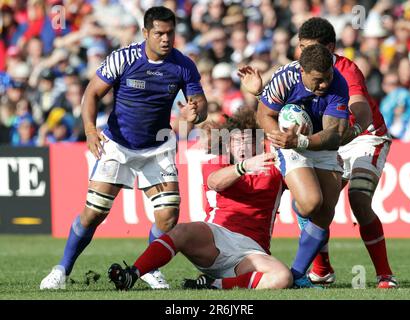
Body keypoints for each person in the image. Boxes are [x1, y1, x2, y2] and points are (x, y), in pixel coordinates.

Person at [40, 6, 208, 290]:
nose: (166, 39)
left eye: (170, 33)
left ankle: (148, 268)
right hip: (118, 145)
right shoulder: (124, 58)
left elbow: (199, 104)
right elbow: (91, 93)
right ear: (145, 33)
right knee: (94, 213)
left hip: (157, 147)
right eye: (159, 33)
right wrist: (91, 131)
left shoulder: (183, 65)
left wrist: (196, 114)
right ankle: (61, 270)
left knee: (168, 216)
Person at [107, 109, 293, 291]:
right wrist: (244, 166)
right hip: (215, 238)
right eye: (237, 140)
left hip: (251, 250)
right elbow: (215, 182)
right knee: (181, 230)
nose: (242, 146)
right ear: (227, 145)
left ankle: (214, 285)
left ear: (259, 144)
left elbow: (306, 198)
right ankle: (132, 274)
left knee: (282, 277)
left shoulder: (276, 169)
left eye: (248, 141)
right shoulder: (218, 162)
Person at [296, 17, 397, 288]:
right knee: (313, 204)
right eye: (302, 46)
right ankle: (322, 271)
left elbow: (359, 106)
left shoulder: (345, 69)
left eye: (312, 47)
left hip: (364, 138)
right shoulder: (299, 70)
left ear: (330, 47)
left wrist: (354, 129)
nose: (307, 53)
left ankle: (385, 275)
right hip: (331, 141)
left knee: (359, 198)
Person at [239, 44, 349, 288]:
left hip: (319, 143)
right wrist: (280, 137)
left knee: (325, 213)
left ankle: (297, 274)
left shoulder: (338, 82)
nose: (325, 85)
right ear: (302, 72)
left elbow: (335, 133)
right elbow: (264, 115)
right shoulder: (284, 78)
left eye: (328, 78)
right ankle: (301, 207)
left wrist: (302, 140)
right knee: (311, 202)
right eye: (318, 80)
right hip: (288, 144)